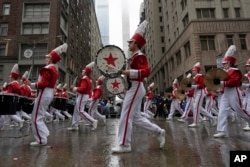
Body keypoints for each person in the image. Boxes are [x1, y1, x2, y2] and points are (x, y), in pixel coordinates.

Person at [111, 20, 165, 153]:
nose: (128, 44)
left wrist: (126, 72)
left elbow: (146, 72)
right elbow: (128, 73)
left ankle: (124, 145)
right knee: (134, 117)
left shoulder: (139, 56)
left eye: (130, 42)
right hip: (134, 87)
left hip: (136, 87)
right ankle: (158, 132)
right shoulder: (135, 56)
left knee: (126, 115)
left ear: (136, 44)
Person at [24, 43, 68, 146]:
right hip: (48, 93)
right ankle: (44, 133)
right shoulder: (54, 69)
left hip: (44, 92)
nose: (46, 58)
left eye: (48, 57)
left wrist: (31, 84)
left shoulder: (48, 68)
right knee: (40, 115)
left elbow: (43, 83)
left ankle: (41, 140)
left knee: (35, 118)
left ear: (51, 58)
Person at [213, 45, 250, 137]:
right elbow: (222, 82)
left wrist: (221, 82)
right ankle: (222, 130)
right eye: (223, 63)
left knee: (239, 110)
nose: (223, 65)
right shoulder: (224, 72)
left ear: (230, 63)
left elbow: (234, 81)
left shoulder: (235, 70)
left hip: (233, 91)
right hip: (225, 92)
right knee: (222, 111)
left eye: (225, 63)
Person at [67, 62, 98, 131]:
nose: (82, 71)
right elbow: (83, 88)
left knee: (80, 111)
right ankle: (74, 125)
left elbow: (83, 89)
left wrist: (74, 88)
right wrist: (76, 88)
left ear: (85, 72)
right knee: (76, 111)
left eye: (83, 70)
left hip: (82, 96)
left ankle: (92, 121)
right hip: (83, 96)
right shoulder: (87, 79)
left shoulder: (84, 79)